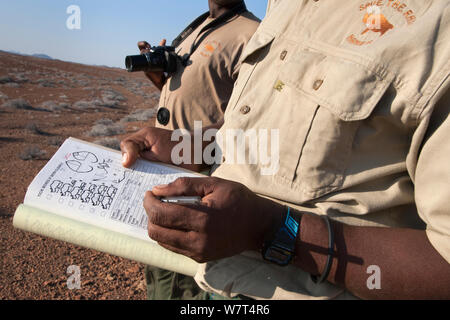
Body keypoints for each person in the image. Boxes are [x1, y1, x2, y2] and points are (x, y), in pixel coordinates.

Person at [121, 0, 450, 299]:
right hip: (217, 285)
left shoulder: (438, 25)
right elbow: (269, 132)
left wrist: (272, 229)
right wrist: (185, 145)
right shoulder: (285, 4)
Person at [139, 0, 259, 131]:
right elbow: (196, 93)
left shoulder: (255, 34)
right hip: (169, 147)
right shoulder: (196, 28)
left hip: (201, 150)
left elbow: (250, 117)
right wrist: (156, 76)